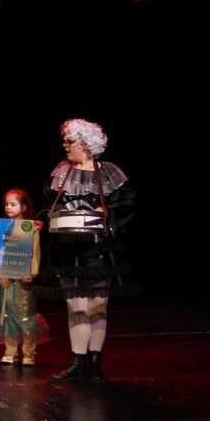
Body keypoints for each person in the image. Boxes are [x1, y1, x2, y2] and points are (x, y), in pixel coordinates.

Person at [43, 119, 136, 383]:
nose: (65, 145)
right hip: (68, 249)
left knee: (97, 305)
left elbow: (126, 203)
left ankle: (94, 364)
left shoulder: (109, 173)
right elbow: (48, 202)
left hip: (98, 250)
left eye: (70, 141)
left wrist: (105, 211)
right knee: (75, 305)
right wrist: (58, 213)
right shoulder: (62, 172)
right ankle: (77, 361)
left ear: (85, 144)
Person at [0, 189, 49, 365]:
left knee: (25, 315)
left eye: (13, 204)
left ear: (23, 207)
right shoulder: (2, 228)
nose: (8, 207)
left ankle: (29, 352)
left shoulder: (31, 227)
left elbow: (35, 252)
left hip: (24, 279)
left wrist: (32, 272)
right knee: (8, 315)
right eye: (6, 204)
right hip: (6, 279)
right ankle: (11, 351)